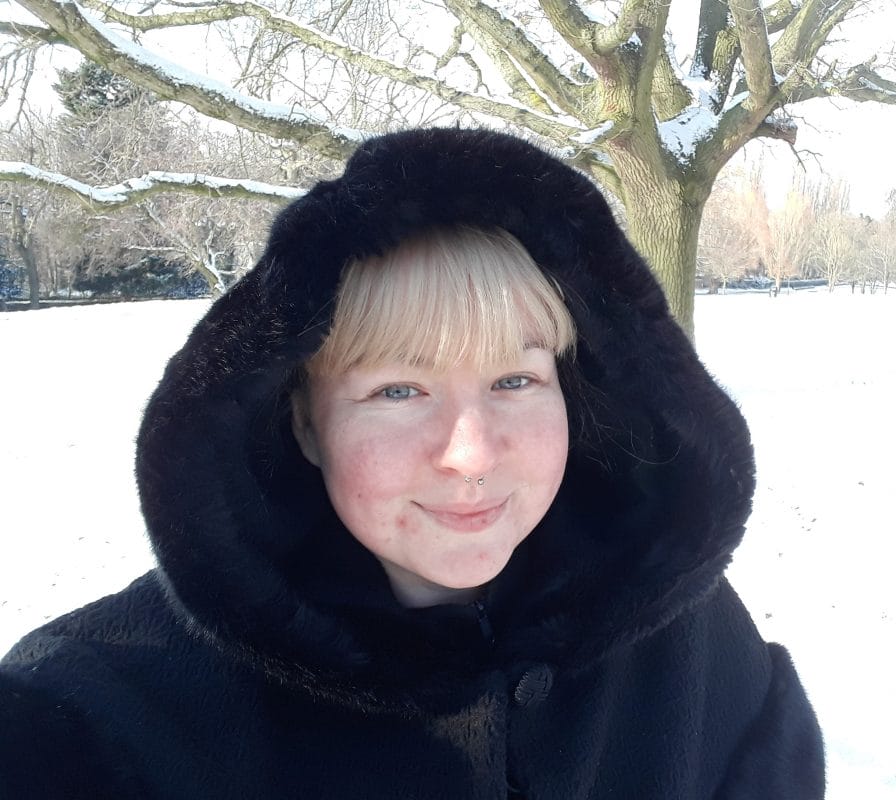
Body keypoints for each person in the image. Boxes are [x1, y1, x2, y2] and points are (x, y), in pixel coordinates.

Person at [0, 128, 824, 798]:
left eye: (515, 379)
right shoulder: (92, 724)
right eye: (398, 390)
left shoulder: (687, 635)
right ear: (307, 423)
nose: (470, 451)